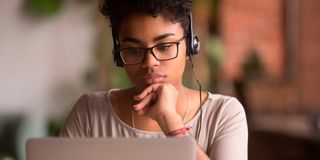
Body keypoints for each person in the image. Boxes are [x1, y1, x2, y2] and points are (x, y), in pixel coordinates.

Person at [60, 0, 248, 159]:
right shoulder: (89, 114)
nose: (150, 63)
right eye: (134, 50)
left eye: (164, 46)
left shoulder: (224, 114)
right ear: (118, 55)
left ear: (190, 45)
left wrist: (170, 121)